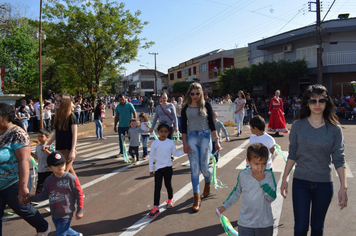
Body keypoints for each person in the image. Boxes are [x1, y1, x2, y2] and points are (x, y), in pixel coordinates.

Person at [280, 84, 348, 236]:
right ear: (307, 103)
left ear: (327, 103)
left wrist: (343, 186)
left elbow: (339, 158)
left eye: (321, 101)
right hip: (300, 183)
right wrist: (284, 179)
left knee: (317, 228)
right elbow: (292, 154)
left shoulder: (334, 129)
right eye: (313, 101)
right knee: (300, 228)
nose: (317, 105)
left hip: (324, 185)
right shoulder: (298, 126)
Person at [0, 103, 50, 235]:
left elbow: (24, 160)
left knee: (23, 209)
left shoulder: (17, 133)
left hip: (13, 182)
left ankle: (43, 227)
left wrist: (23, 187)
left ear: (7, 117)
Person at [217, 143, 276, 236]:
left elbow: (272, 197)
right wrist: (225, 206)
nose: (260, 168)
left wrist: (263, 181)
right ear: (248, 161)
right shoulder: (243, 174)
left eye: (263, 164)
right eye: (256, 164)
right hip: (245, 223)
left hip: (264, 223)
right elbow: (236, 192)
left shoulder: (268, 175)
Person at [181, 82, 221, 212]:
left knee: (204, 168)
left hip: (205, 136)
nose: (195, 96)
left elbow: (211, 124)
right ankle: (196, 197)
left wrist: (217, 140)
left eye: (197, 93)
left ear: (201, 93)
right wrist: (184, 143)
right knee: (194, 167)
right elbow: (183, 127)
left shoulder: (206, 105)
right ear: (189, 93)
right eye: (192, 93)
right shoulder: (185, 107)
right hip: (191, 137)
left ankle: (208, 181)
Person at [31, 152, 84, 236]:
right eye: (56, 165)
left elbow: (79, 194)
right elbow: (44, 195)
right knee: (62, 228)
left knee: (60, 233)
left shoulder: (71, 178)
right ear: (50, 168)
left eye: (62, 164)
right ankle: (76, 235)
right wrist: (30, 198)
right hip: (55, 212)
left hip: (66, 213)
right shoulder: (48, 180)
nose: (60, 167)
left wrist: (80, 210)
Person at [148, 123, 184, 218]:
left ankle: (170, 199)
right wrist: (151, 169)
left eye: (166, 132)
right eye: (161, 131)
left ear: (168, 132)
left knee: (168, 185)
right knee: (157, 188)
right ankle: (155, 207)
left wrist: (185, 151)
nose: (163, 133)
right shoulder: (154, 143)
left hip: (168, 168)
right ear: (158, 132)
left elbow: (175, 153)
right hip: (158, 169)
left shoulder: (170, 142)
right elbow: (151, 157)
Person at [43, 94, 78, 177]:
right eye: (56, 101)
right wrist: (48, 144)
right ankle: (78, 189)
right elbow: (57, 133)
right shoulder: (58, 116)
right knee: (69, 174)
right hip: (59, 149)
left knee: (62, 174)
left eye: (59, 101)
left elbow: (74, 135)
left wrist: (72, 151)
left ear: (65, 103)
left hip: (68, 150)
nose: (57, 103)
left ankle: (77, 189)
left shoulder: (71, 117)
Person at [31, 129, 54, 194]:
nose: (39, 138)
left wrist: (47, 151)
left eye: (42, 136)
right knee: (40, 183)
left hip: (49, 169)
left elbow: (54, 155)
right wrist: (30, 153)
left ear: (47, 137)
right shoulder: (38, 146)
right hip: (41, 169)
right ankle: (37, 196)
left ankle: (53, 194)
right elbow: (37, 157)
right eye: (38, 136)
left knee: (50, 183)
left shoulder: (48, 146)